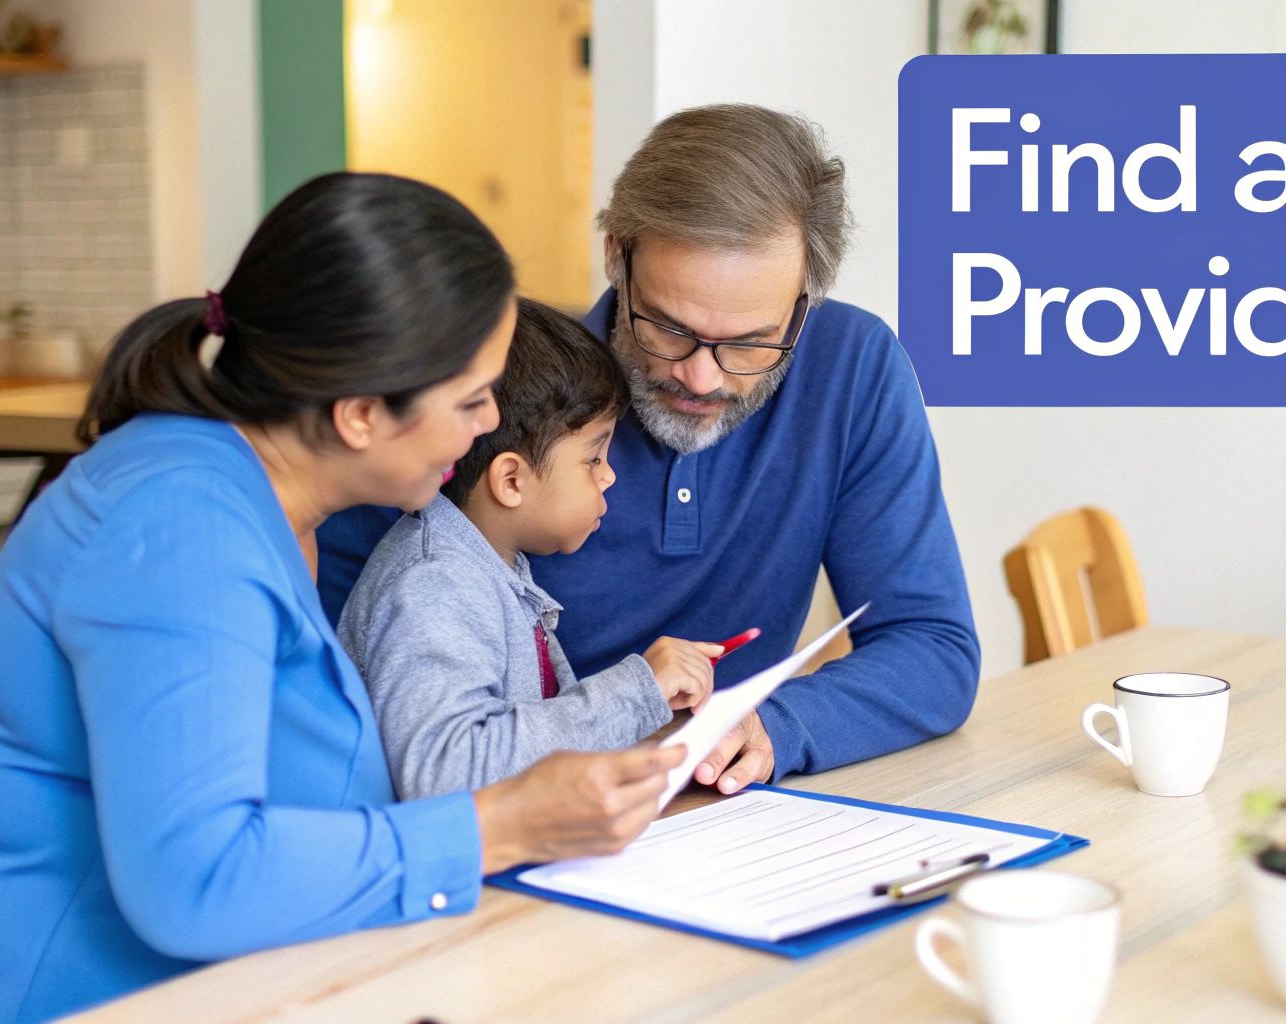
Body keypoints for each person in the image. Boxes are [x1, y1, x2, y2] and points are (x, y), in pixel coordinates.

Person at [0, 173, 682, 1024]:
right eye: (471, 399)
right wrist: (499, 824)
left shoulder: (255, 499)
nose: (487, 427)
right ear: (361, 412)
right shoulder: (182, 532)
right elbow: (196, 879)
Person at [317, 104, 980, 798]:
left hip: (707, 817)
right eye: (666, 327)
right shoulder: (490, 403)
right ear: (615, 255)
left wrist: (773, 726)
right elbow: (346, 688)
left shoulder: (853, 368)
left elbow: (933, 649)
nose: (702, 377)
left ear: (804, 302)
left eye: (752, 342)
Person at [340, 298, 723, 799]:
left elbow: (536, 741)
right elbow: (446, 775)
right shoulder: (437, 583)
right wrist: (635, 691)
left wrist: (656, 725)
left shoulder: (492, 567)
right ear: (512, 480)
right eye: (593, 458)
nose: (609, 476)